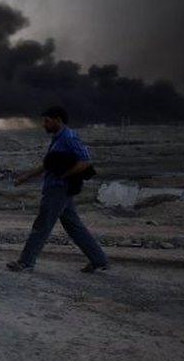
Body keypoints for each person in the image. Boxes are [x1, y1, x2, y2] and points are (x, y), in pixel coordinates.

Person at [7, 106, 109, 273]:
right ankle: (99, 260)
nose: (44, 125)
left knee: (41, 226)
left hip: (58, 190)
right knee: (75, 227)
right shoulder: (58, 139)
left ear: (58, 120)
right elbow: (48, 165)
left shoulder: (69, 137)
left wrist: (64, 176)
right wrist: (26, 177)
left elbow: (85, 161)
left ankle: (26, 262)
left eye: (47, 121)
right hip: (58, 189)